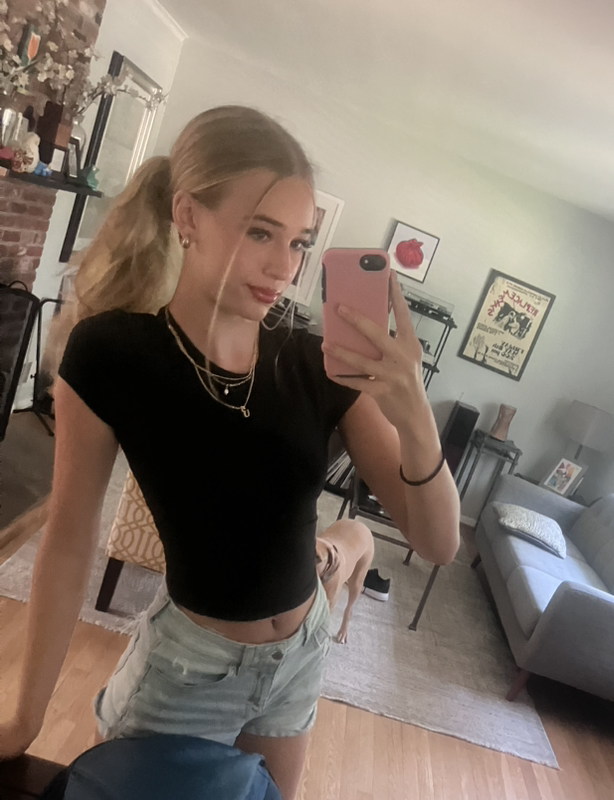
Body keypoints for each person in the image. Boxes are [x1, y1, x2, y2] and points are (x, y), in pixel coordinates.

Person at [0, 105, 461, 799]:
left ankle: (340, 548)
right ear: (188, 215)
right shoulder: (113, 354)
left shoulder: (315, 363)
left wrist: (416, 415)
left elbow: (439, 541)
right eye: (260, 232)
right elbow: (68, 537)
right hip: (188, 673)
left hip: (300, 656)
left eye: (300, 242)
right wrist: (25, 720)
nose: (284, 266)